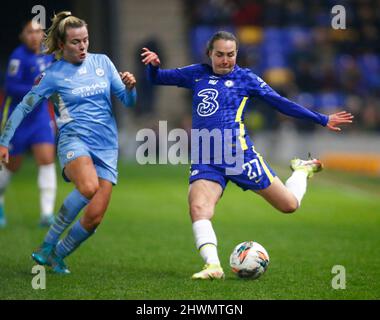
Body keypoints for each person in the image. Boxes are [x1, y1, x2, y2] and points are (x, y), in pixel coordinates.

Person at [141, 31, 353, 280]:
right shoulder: (196, 73)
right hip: (206, 157)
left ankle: (302, 170)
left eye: (230, 55)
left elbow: (280, 102)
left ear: (236, 54)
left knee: (289, 205)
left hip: (238, 156)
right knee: (198, 207)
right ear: (209, 54)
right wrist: (152, 67)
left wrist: (322, 118)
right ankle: (213, 266)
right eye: (219, 55)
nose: (225, 60)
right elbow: (157, 79)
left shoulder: (246, 79)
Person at [0, 11, 137, 274]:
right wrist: (4, 141)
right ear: (62, 45)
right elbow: (23, 107)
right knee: (88, 187)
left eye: (85, 40)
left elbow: (128, 102)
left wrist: (131, 88)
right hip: (74, 141)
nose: (83, 45)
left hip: (107, 147)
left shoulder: (103, 63)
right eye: (76, 42)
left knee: (94, 217)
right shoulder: (52, 74)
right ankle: (46, 244)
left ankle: (56, 255)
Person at [0, 20, 56, 228]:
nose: (34, 36)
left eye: (38, 32)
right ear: (23, 36)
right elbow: (10, 87)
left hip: (40, 117)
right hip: (19, 118)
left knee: (47, 159)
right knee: (11, 165)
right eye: (30, 32)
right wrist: (35, 89)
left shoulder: (48, 54)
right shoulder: (18, 57)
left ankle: (47, 213)